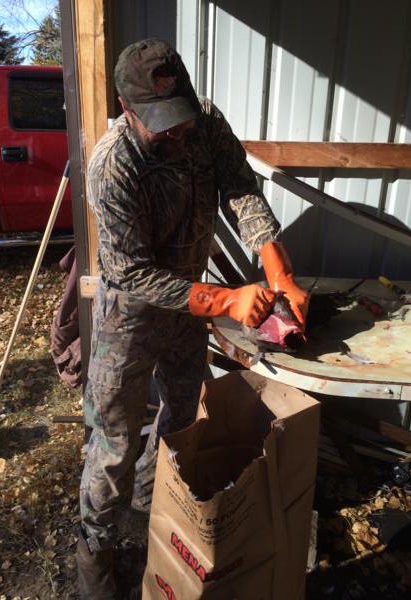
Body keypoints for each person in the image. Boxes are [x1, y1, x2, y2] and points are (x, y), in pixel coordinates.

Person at [76, 38, 309, 599]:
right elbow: (130, 274)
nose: (176, 132)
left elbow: (241, 189)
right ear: (126, 107)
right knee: (114, 442)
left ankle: (155, 504)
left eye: (180, 115)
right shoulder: (111, 165)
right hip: (128, 319)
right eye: (160, 123)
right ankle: (95, 557)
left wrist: (276, 268)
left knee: (182, 417)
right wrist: (227, 300)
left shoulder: (204, 123)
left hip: (188, 311)